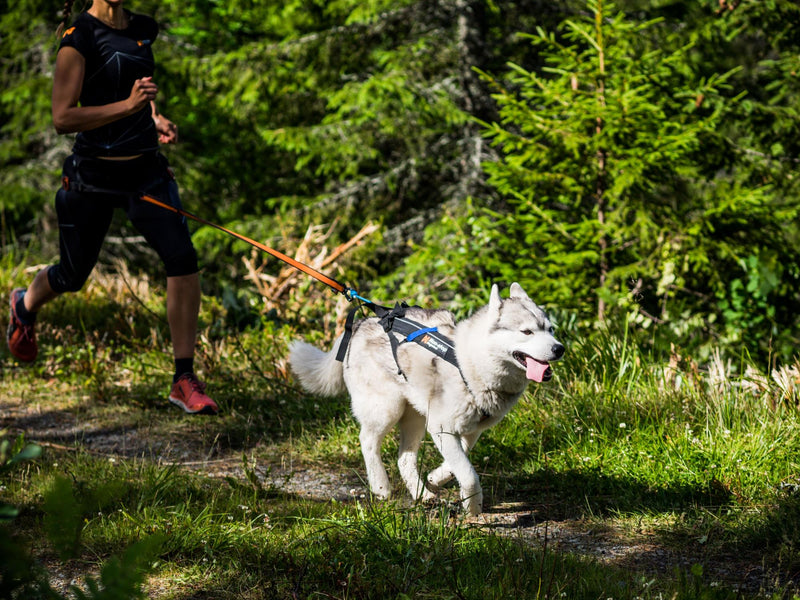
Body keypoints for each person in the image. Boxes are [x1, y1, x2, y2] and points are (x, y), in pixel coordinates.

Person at [7, 0, 219, 415]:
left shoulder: (142, 27)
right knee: (72, 275)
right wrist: (128, 107)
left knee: (182, 258)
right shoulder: (79, 38)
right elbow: (63, 117)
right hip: (92, 179)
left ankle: (183, 377)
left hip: (145, 174)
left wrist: (153, 117)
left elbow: (136, 86)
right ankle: (23, 305)